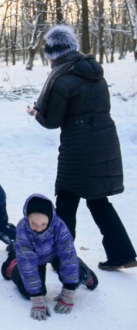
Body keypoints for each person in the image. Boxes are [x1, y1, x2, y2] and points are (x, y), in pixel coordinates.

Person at [28, 24, 136, 271]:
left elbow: (52, 121)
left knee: (67, 197)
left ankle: (60, 256)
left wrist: (37, 111)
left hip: (79, 147)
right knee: (98, 199)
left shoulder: (63, 79)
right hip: (104, 141)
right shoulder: (94, 73)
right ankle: (122, 253)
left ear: (54, 55)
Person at [1, 194, 98, 321]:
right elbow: (27, 263)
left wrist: (69, 290)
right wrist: (36, 297)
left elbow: (67, 256)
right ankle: (14, 265)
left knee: (75, 276)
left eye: (43, 224)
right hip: (34, 258)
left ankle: (84, 272)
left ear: (50, 220)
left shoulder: (59, 227)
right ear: (27, 218)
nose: (39, 228)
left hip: (56, 254)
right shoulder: (23, 229)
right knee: (27, 291)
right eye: (34, 223)